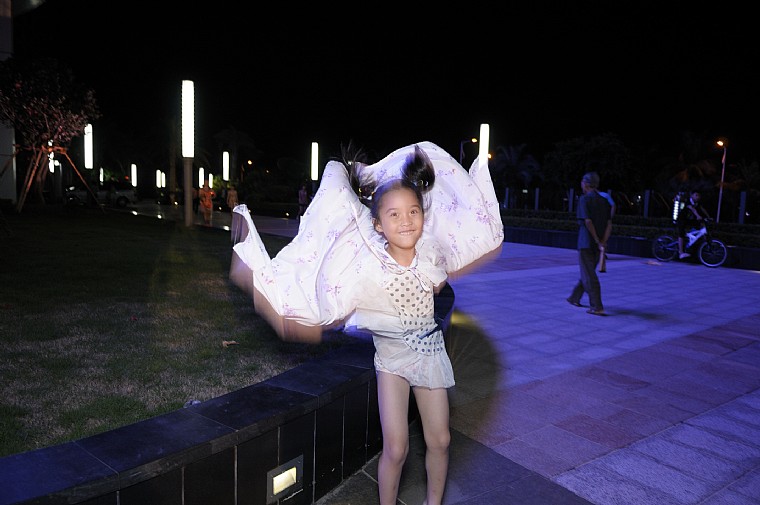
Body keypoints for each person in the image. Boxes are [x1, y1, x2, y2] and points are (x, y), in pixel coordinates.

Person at [229, 141, 504, 505]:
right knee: (396, 447)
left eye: (413, 212)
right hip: (391, 362)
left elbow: (448, 268)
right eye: (394, 214)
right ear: (378, 224)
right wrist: (269, 298)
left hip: (429, 356)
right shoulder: (367, 265)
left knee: (440, 440)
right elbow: (328, 305)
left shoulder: (430, 252)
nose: (405, 221)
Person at [567, 171, 612, 316]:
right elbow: (609, 224)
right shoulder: (605, 201)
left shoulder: (584, 200)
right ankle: (574, 298)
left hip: (586, 243)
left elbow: (588, 221)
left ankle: (597, 306)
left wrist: (596, 240)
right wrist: (603, 242)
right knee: (588, 273)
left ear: (586, 184)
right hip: (598, 246)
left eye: (582, 182)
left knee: (589, 276)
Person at [676, 190, 709, 259]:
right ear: (692, 195)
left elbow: (702, 209)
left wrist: (708, 217)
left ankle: (689, 237)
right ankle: (681, 253)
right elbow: (693, 209)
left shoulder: (697, 203)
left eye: (699, 196)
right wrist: (698, 216)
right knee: (681, 233)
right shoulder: (688, 201)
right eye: (696, 195)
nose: (698, 197)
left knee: (699, 225)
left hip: (689, 219)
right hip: (681, 219)